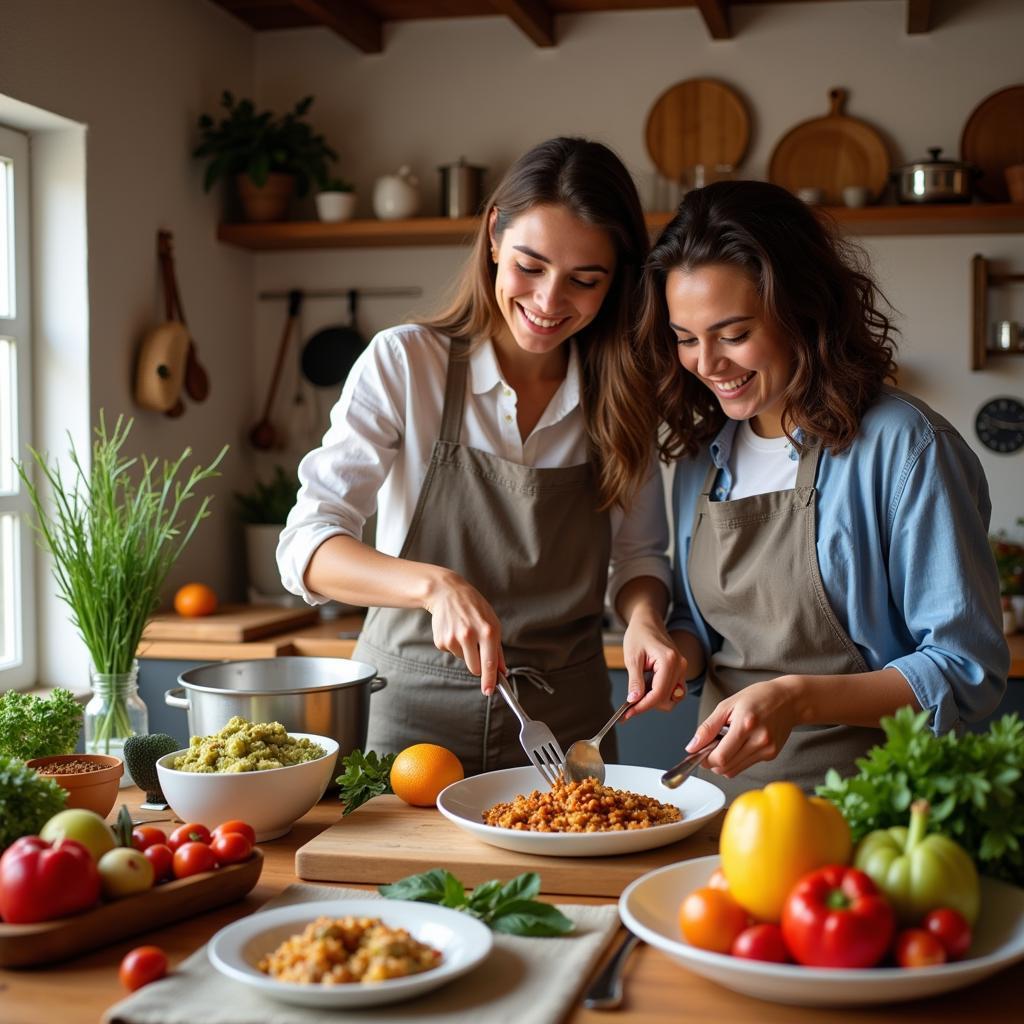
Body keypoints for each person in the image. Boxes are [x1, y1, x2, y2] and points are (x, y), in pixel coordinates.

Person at [278, 137, 685, 776]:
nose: (550, 302)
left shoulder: (625, 393)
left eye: (585, 280)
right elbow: (306, 546)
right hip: (411, 725)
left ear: (617, 281)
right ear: (494, 235)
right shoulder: (407, 362)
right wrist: (434, 585)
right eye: (530, 265)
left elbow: (638, 557)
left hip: (569, 733)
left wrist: (643, 621)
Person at [636, 179, 1008, 799]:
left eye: (733, 334)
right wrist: (666, 645)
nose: (707, 363)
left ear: (801, 310)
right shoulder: (706, 455)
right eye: (685, 338)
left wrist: (799, 698)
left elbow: (964, 668)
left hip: (872, 809)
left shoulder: (907, 448)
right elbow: (704, 633)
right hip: (721, 809)